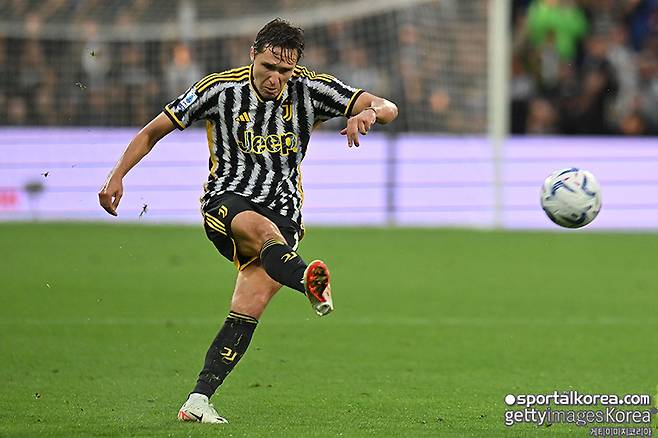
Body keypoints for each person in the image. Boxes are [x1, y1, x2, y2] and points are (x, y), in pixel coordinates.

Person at [98, 18, 398, 424]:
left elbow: (389, 106)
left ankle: (198, 401)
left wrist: (371, 114)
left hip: (285, 212)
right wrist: (117, 174)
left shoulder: (311, 89)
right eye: (268, 67)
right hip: (227, 201)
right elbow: (153, 131)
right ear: (252, 54)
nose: (275, 79)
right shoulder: (219, 89)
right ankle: (306, 278)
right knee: (262, 230)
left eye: (285, 71)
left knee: (247, 308)